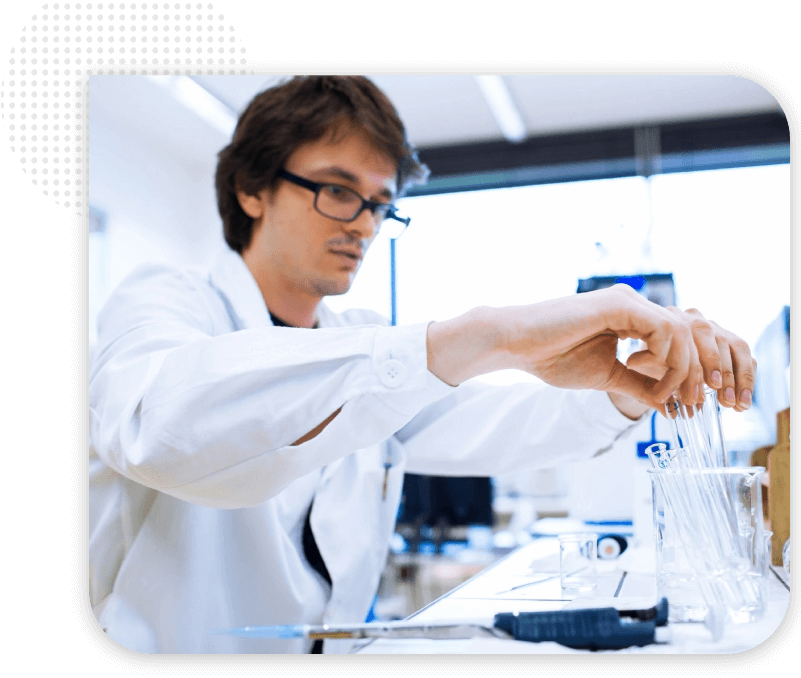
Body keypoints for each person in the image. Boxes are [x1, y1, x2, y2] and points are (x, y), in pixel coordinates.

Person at [89, 76, 756, 654]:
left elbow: (489, 422)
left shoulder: (360, 336)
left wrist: (626, 383)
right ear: (251, 189)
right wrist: (484, 335)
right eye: (336, 190)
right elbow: (163, 424)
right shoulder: (163, 303)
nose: (363, 224)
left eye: (380, 203)